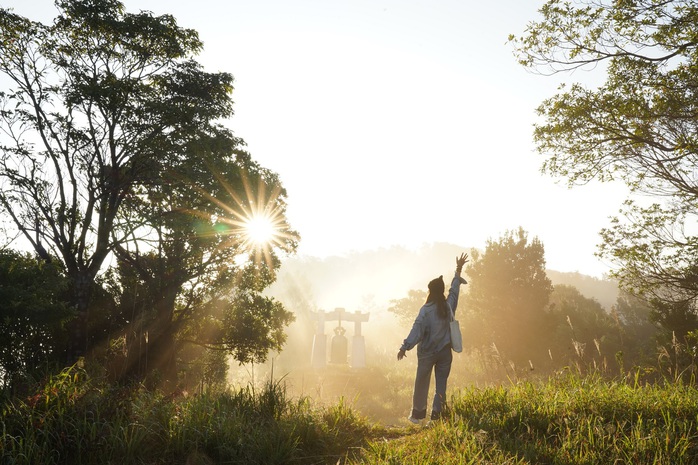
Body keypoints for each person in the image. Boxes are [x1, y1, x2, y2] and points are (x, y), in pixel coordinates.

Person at [397, 252, 469, 424]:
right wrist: (458, 270)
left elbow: (417, 330)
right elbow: (454, 291)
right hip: (445, 353)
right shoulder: (448, 306)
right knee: (441, 384)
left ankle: (417, 415)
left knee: (421, 383)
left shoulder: (426, 309)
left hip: (427, 353)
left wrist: (405, 347)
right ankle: (436, 416)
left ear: (430, 291)